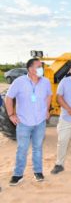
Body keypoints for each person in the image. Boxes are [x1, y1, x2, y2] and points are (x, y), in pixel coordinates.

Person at [5, 58, 52, 186]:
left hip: (40, 122)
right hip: (24, 122)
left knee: (37, 148)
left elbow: (49, 95)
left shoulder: (46, 82)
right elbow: (8, 98)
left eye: (41, 66)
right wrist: (11, 114)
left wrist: (47, 109)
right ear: (31, 69)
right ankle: (18, 174)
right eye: (39, 66)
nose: (41, 68)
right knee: (22, 149)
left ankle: (38, 172)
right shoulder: (19, 82)